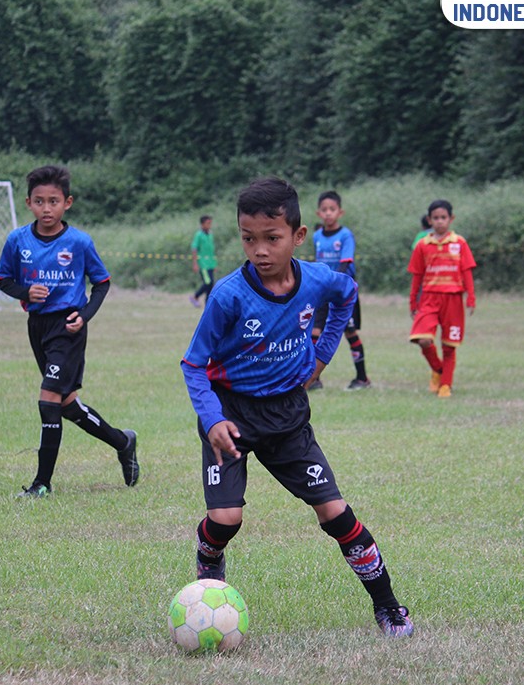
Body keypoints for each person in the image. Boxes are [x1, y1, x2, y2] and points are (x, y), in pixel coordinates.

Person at [181, 176, 414, 638]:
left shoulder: (317, 279)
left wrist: (324, 353)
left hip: (288, 418)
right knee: (226, 520)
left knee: (336, 513)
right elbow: (193, 365)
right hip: (232, 415)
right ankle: (210, 560)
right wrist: (212, 421)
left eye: (273, 238)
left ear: (298, 236)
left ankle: (388, 606)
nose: (260, 250)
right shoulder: (228, 295)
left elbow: (347, 293)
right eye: (249, 239)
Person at [0, 165, 140, 497]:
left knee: (48, 400)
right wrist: (24, 292)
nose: (47, 209)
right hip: (38, 326)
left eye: (54, 202)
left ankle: (41, 484)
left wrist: (85, 315)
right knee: (66, 404)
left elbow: (101, 283)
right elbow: (3, 279)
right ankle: (123, 441)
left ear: (67, 203)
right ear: (29, 202)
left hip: (68, 326)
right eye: (40, 201)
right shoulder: (17, 240)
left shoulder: (79, 241)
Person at [408, 199, 477, 399]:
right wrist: (413, 301)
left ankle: (446, 384)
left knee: (449, 345)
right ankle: (439, 370)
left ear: (451, 219)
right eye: (436, 218)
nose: (440, 222)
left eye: (443, 218)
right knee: (422, 339)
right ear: (429, 220)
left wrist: (470, 298)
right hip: (429, 298)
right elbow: (417, 276)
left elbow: (467, 272)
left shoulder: (459, 243)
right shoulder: (422, 245)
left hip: (453, 299)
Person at [310, 191, 371, 390]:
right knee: (314, 333)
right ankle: (313, 379)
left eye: (332, 209)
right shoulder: (317, 236)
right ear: (319, 213)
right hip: (322, 293)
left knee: (350, 333)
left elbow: (345, 264)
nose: (328, 213)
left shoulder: (345, 235)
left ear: (340, 212)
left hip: (342, 293)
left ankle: (362, 378)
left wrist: (335, 284)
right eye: (324, 210)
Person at [189, 215, 217, 307]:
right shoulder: (199, 235)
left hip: (211, 263)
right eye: (208, 223)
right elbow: (194, 249)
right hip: (203, 264)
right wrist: (195, 263)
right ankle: (195, 296)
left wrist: (215, 264)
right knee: (207, 282)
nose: (209, 225)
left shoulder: (210, 234)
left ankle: (207, 304)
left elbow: (212, 250)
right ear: (202, 224)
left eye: (210, 223)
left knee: (211, 284)